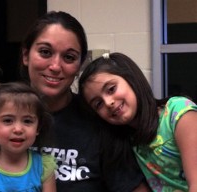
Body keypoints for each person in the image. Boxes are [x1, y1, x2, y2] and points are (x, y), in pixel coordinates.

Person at [0, 11, 149, 191]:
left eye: (69, 57)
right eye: (45, 52)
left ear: (79, 66)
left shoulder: (98, 123)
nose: (55, 66)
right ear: (26, 55)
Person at [78, 52, 197, 191]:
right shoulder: (126, 140)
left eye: (111, 89)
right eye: (98, 104)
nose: (108, 102)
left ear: (131, 79)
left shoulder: (178, 113)